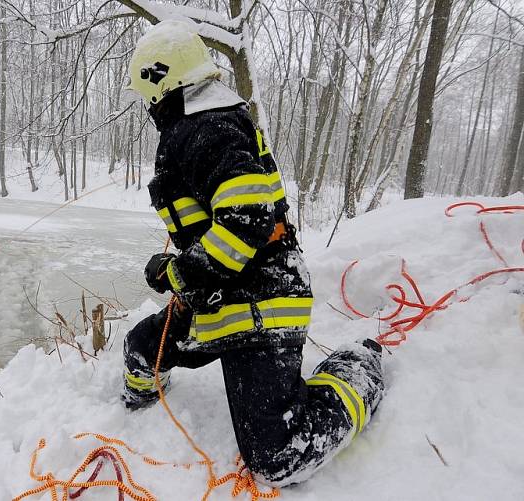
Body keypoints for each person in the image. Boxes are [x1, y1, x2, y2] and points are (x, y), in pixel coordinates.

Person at [121, 20, 384, 487]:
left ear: (161, 85)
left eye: (148, 96)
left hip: (265, 296)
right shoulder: (199, 124)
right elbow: (220, 222)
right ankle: (135, 407)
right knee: (141, 350)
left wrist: (182, 272)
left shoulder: (209, 127)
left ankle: (358, 370)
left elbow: (246, 217)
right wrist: (182, 271)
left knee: (278, 457)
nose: (148, 107)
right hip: (221, 295)